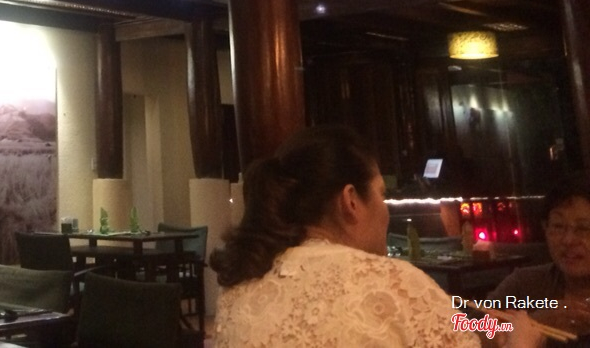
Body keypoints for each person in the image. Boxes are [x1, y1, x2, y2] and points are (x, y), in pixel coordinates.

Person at [211, 125, 545, 347]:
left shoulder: (238, 289)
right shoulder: (395, 283)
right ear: (351, 201)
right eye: (382, 194)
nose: (385, 209)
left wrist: (490, 329)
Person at [489, 174, 590, 341]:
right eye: (558, 226)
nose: (568, 240)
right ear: (545, 228)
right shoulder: (525, 285)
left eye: (584, 228)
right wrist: (537, 323)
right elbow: (463, 331)